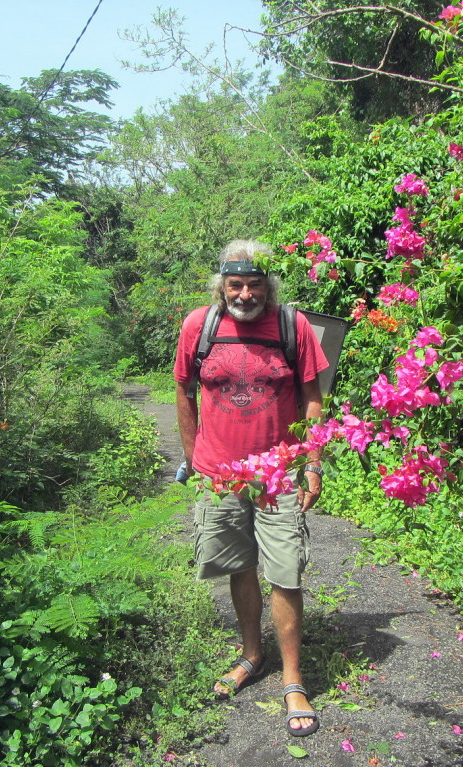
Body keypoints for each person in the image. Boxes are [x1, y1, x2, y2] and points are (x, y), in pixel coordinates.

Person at [174, 239, 329, 737]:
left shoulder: (292, 325)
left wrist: (313, 465)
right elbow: (184, 389)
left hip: (278, 474)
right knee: (238, 566)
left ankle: (292, 679)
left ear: (268, 286)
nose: (245, 294)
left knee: (285, 572)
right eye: (235, 285)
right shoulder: (200, 326)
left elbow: (311, 395)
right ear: (222, 286)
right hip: (219, 475)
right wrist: (193, 457)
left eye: (254, 284)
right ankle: (251, 655)